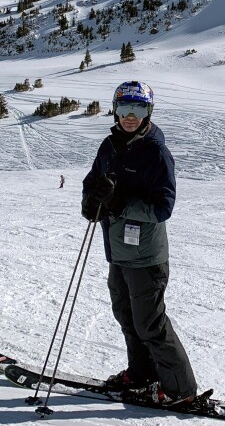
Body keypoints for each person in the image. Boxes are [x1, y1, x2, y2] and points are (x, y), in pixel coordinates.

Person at [81, 81, 198, 406]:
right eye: (124, 109)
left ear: (149, 112)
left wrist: (119, 204)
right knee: (126, 316)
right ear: (115, 110)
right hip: (116, 251)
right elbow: (92, 182)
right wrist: (90, 202)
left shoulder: (155, 152)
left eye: (139, 109)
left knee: (150, 324)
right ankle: (142, 373)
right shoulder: (109, 145)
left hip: (146, 256)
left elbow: (163, 207)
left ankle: (181, 391)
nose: (130, 117)